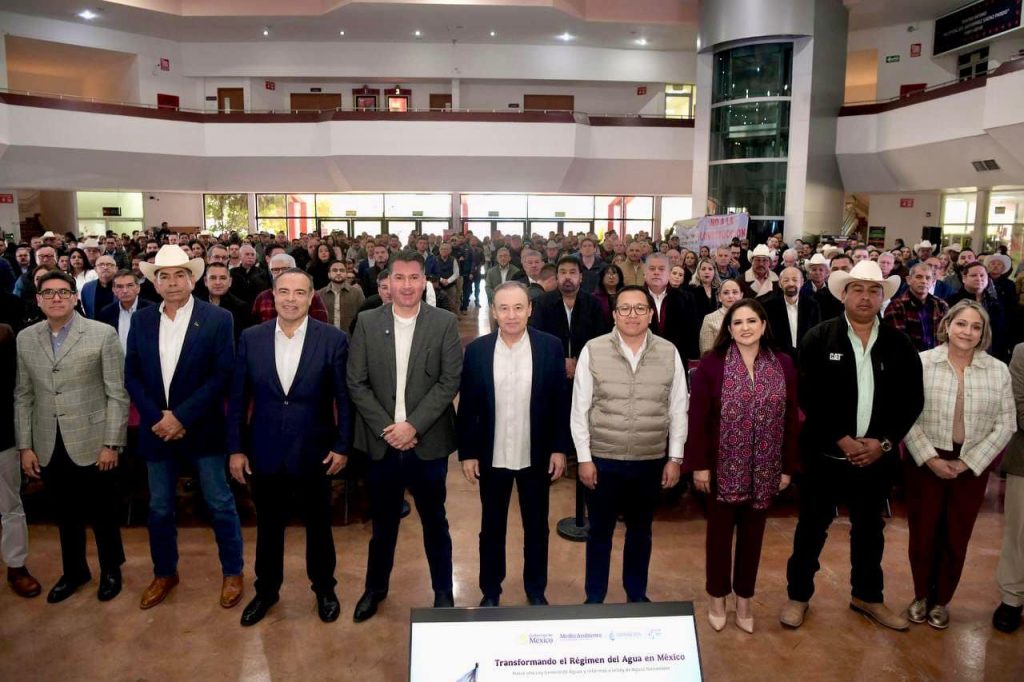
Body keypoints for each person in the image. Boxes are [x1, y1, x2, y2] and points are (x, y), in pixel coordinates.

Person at [781, 260, 924, 631]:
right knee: (811, 528)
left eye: (873, 290)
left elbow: (912, 400)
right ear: (843, 295)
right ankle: (798, 596)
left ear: (882, 298)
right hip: (824, 455)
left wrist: (884, 443)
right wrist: (841, 438)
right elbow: (808, 394)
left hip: (875, 459)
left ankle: (867, 596)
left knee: (870, 531)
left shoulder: (899, 344)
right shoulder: (818, 338)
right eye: (857, 289)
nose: (865, 297)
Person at [227, 268, 352, 626]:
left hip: (316, 450)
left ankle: (324, 589)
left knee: (319, 525)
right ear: (273, 295)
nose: (291, 299)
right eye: (284, 291)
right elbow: (238, 398)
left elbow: (345, 399)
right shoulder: (251, 338)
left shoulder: (333, 339)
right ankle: (266, 591)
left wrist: (342, 445)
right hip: (264, 450)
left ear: (312, 297)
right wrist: (236, 448)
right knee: (268, 526)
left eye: (299, 292)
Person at [124, 245, 245, 611]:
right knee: (160, 507)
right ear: (155, 283)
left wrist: (181, 417)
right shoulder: (142, 320)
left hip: (202, 428)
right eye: (164, 276)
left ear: (193, 280)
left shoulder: (218, 319)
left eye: (180, 275)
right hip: (156, 430)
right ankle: (164, 573)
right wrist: (158, 417)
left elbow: (222, 374)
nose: (172, 282)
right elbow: (132, 374)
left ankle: (233, 572)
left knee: (219, 502)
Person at [347, 251, 463, 622]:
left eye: (415, 278)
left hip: (427, 444)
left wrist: (412, 426)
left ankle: (443, 591)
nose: (407, 285)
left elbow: (449, 380)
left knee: (435, 521)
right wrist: (389, 429)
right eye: (400, 278)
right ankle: (375, 589)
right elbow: (356, 382)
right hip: (381, 443)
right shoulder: (367, 322)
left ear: (424, 281)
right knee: (383, 525)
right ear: (388, 282)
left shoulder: (443, 322)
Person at [686, 298, 799, 633]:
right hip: (721, 467)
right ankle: (717, 597)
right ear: (729, 329)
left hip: (766, 467)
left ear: (763, 325)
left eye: (751, 321)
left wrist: (787, 467)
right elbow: (697, 418)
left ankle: (745, 599)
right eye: (738, 322)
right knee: (719, 537)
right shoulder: (712, 364)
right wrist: (700, 465)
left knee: (753, 537)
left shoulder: (783, 363)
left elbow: (791, 419)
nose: (745, 327)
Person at [15, 272, 129, 603]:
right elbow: (23, 395)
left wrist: (111, 443)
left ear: (75, 297)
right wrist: (25, 446)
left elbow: (117, 394)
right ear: (38, 299)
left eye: (63, 292)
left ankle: (111, 570)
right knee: (65, 514)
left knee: (103, 512)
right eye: (48, 293)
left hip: (94, 440)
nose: (56, 298)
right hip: (48, 441)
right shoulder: (26, 338)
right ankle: (75, 571)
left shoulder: (101, 334)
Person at [571, 286, 687, 603]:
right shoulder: (593, 350)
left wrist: (675, 457)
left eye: (640, 308)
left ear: (651, 314)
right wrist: (584, 458)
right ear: (614, 314)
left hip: (649, 459)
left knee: (641, 532)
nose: (632, 315)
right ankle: (595, 597)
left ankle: (636, 595)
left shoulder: (669, 352)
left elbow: (678, 408)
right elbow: (580, 409)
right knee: (599, 533)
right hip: (602, 458)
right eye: (624, 308)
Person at [903, 301, 1014, 629]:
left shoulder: (998, 370)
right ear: (947, 326)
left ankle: (941, 600)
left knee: (956, 535)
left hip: (971, 466)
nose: (968, 332)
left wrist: (968, 463)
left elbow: (1006, 424)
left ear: (983, 333)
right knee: (923, 533)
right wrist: (930, 458)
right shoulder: (922, 362)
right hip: (926, 462)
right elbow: (905, 415)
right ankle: (921, 595)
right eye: (961, 324)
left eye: (976, 327)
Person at [458, 282, 570, 606]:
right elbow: (468, 406)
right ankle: (491, 591)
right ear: (493, 311)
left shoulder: (549, 347)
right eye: (504, 308)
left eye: (518, 308)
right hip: (492, 455)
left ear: (529, 309)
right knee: (491, 528)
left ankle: (535, 590)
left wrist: (559, 448)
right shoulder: (477, 350)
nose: (511, 315)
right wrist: (468, 453)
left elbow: (560, 402)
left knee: (536, 528)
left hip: (535, 454)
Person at [1, 323, 42, 598]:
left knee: (10, 505)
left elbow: (18, 390)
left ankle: (16, 566)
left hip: (2, 438)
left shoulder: (3, 335)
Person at [529, 256, 608, 384]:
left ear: (580, 277)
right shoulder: (542, 303)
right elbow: (536, 336)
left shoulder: (593, 304)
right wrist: (561, 360)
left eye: (572, 272)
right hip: (550, 370)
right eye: (563, 272)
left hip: (586, 370)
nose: (567, 277)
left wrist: (578, 360)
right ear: (557, 277)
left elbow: (600, 338)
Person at [995, 342, 1024, 633]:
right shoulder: (1023, 352)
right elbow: (1020, 406)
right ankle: (1012, 598)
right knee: (1019, 535)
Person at [882, 263, 950, 352]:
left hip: (937, 357)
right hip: (908, 358)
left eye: (928, 278)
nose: (924, 281)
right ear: (908, 280)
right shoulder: (896, 306)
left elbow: (946, 336)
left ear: (933, 281)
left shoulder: (941, 305)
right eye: (919, 277)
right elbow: (897, 342)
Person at [948, 261, 1008, 361]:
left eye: (982, 275)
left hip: (991, 355)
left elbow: (1001, 332)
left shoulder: (996, 303)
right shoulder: (952, 302)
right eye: (973, 275)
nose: (979, 278)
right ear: (964, 278)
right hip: (959, 353)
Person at [645, 253, 699, 362]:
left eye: (661, 269)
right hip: (644, 357)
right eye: (652, 269)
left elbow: (692, 328)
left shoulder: (685, 298)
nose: (656, 272)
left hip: (676, 355)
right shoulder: (636, 296)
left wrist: (692, 355)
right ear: (645, 273)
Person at [252, 254, 329, 324]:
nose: (280, 273)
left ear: (295, 269)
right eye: (275, 270)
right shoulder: (263, 297)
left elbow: (320, 327)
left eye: (285, 269)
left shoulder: (310, 295)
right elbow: (255, 328)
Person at [763, 267, 820, 359]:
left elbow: (817, 335)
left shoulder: (813, 305)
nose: (791, 284)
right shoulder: (768, 307)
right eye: (786, 280)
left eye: (795, 280)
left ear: (802, 282)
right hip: (779, 359)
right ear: (780, 283)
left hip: (807, 358)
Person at [98, 269, 154, 353]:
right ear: (114, 290)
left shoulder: (152, 310)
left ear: (138, 288)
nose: (125, 291)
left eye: (130, 285)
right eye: (120, 286)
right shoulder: (106, 313)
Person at [699, 279, 743, 356]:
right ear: (719, 297)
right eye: (726, 293)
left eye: (735, 292)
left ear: (741, 295)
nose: (731, 296)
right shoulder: (709, 319)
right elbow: (706, 353)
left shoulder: (750, 316)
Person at [319, 260, 365, 333]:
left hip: (350, 337)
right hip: (326, 336)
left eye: (342, 270)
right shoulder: (320, 294)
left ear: (346, 274)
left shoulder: (357, 293)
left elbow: (363, 316)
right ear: (329, 274)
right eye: (334, 270)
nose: (338, 273)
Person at [815, 254, 853, 321]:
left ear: (853, 270)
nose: (839, 272)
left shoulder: (861, 294)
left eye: (844, 268)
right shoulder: (819, 297)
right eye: (835, 269)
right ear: (830, 272)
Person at [79, 255, 118, 319]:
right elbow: (87, 310)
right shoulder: (87, 288)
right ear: (95, 269)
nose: (105, 267)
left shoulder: (122, 286)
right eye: (101, 264)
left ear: (116, 269)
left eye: (109, 264)